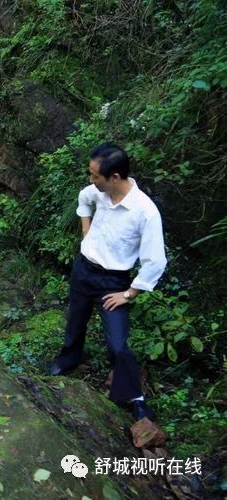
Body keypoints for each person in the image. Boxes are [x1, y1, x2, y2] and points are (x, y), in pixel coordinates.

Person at [49, 143, 167, 421]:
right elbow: (84, 198)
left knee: (118, 344)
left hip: (113, 282)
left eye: (95, 175)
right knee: (76, 320)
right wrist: (86, 231)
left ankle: (134, 397)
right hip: (84, 269)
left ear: (114, 177)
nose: (91, 180)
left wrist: (128, 294)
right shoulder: (99, 192)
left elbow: (155, 261)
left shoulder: (144, 212)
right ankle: (68, 359)